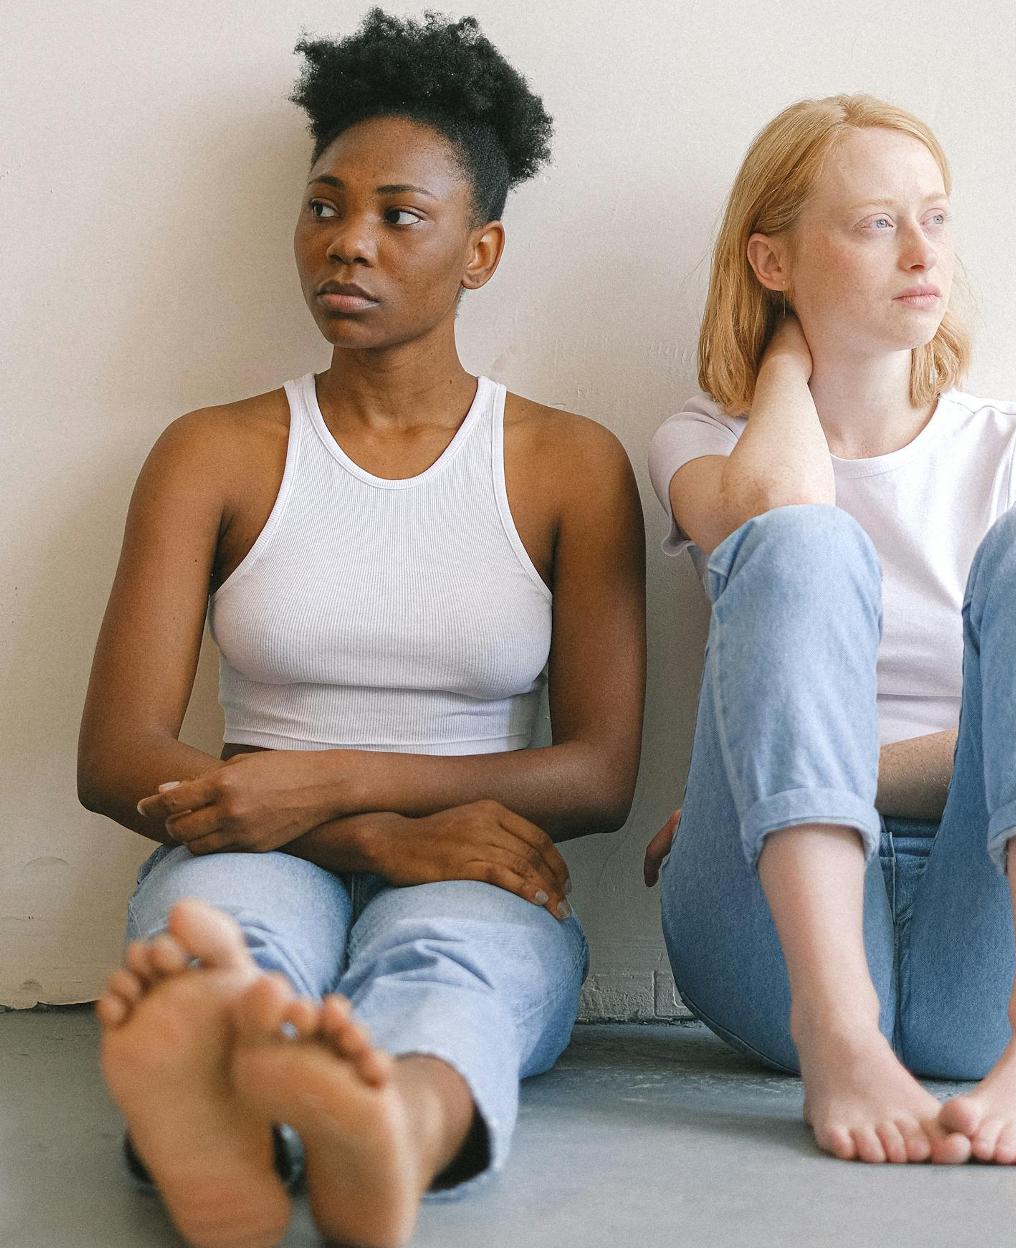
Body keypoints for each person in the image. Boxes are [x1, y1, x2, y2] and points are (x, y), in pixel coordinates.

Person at [78, 10, 645, 1246]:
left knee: (455, 970)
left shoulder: (569, 463)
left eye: (400, 215)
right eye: (326, 207)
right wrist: (376, 831)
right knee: (233, 939)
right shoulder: (212, 451)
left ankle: (384, 1131)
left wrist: (326, 781)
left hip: (468, 853)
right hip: (252, 841)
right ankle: (220, 1127)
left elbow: (599, 775)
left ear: (481, 252)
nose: (349, 242)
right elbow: (116, 755)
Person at [644, 94, 1016, 1167]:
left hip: (994, 915)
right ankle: (839, 1036)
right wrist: (785, 362)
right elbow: (780, 510)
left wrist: (808, 768)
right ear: (772, 260)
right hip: (773, 942)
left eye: (937, 217)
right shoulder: (703, 443)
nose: (923, 253)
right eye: (876, 223)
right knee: (804, 543)